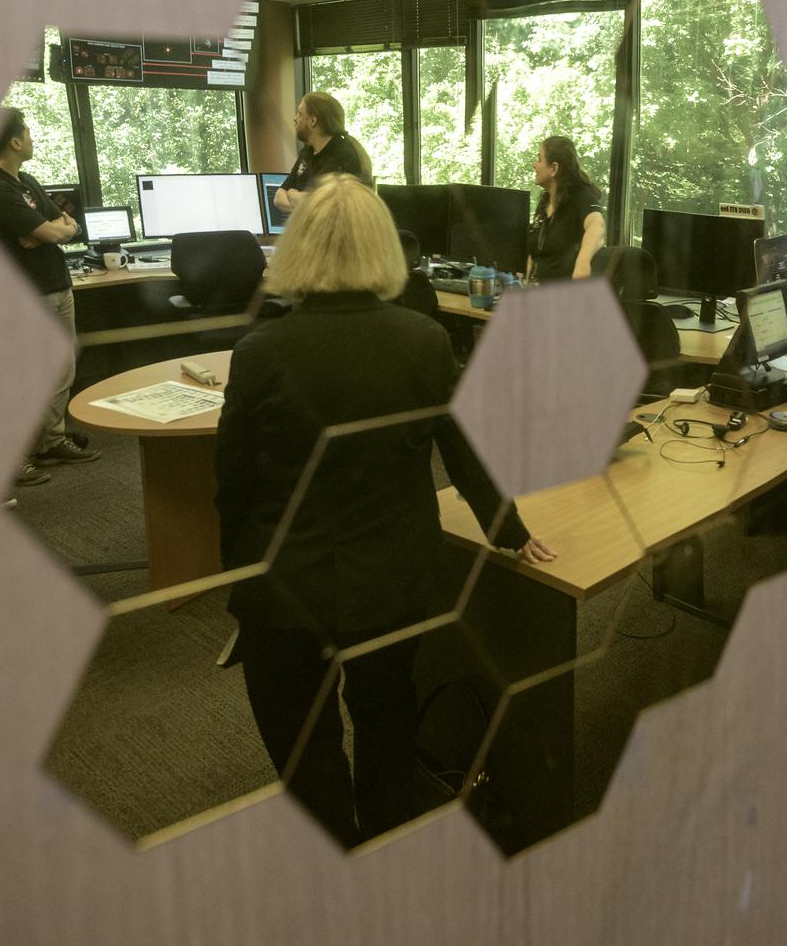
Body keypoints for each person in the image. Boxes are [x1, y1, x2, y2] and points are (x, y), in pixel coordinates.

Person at [215, 173, 554, 847]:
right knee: (385, 718)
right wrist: (508, 529)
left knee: (302, 742)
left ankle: (335, 849)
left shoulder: (259, 352)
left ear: (297, 247)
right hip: (393, 580)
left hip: (287, 589)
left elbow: (233, 484)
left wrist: (240, 586)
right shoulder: (422, 340)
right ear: (383, 249)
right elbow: (463, 450)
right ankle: (386, 844)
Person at [0, 109, 101, 487]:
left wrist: (46, 232)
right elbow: (54, 231)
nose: (31, 138)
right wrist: (49, 231)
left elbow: (67, 226)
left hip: (56, 286)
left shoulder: (25, 181)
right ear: (13, 141)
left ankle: (50, 441)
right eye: (27, 132)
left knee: (60, 369)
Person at [525, 136, 606, 282]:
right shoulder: (545, 202)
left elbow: (597, 227)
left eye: (539, 159)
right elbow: (534, 254)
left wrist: (582, 265)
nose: (534, 165)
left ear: (554, 168)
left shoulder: (581, 196)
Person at [272, 92, 361, 213]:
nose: (295, 119)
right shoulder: (308, 152)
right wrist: (304, 203)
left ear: (313, 120)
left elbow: (323, 207)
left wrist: (292, 194)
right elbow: (278, 197)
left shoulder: (342, 155)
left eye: (300, 114)